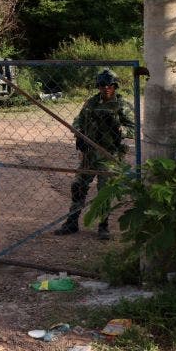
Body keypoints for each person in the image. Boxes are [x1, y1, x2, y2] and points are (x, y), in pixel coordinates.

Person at [54, 68, 135, 240]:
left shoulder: (122, 105)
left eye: (110, 85)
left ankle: (103, 226)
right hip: (89, 154)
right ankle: (72, 223)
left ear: (115, 86)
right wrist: (79, 132)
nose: (106, 88)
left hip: (109, 155)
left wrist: (119, 128)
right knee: (78, 186)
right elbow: (78, 120)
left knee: (104, 192)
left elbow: (133, 129)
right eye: (102, 85)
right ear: (98, 86)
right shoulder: (91, 103)